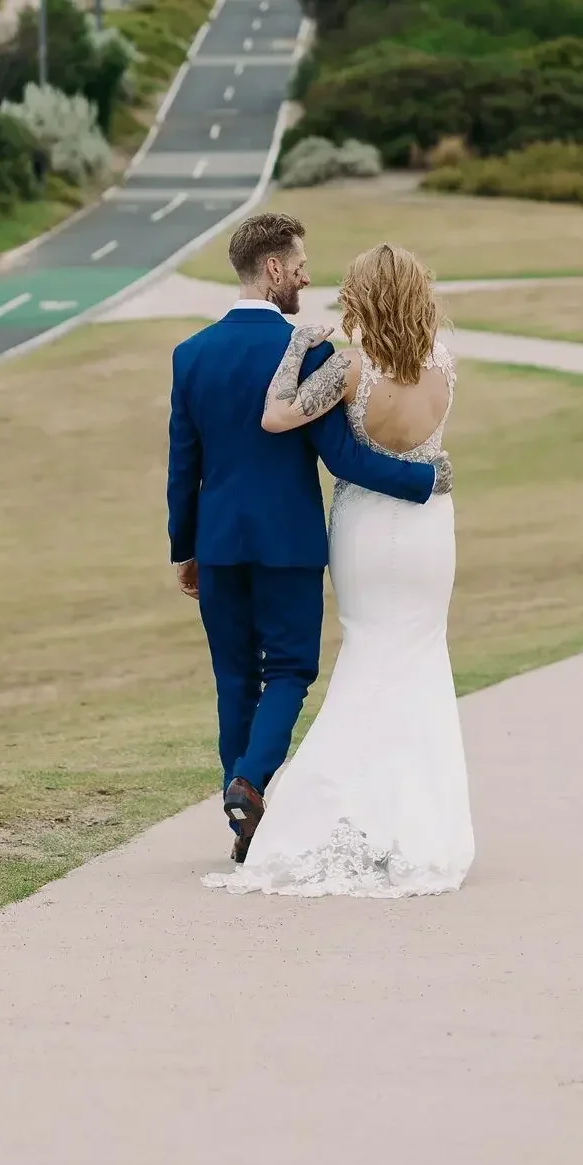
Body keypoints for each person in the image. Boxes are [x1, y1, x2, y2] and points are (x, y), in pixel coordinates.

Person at [167, 213, 451, 865]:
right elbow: (341, 457)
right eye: (298, 267)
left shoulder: (192, 354)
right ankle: (250, 781)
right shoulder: (310, 353)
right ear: (272, 268)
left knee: (233, 676)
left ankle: (242, 819)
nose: (305, 278)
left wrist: (185, 548)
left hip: (218, 541)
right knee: (290, 669)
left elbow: (184, 464)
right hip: (288, 543)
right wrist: (423, 479)